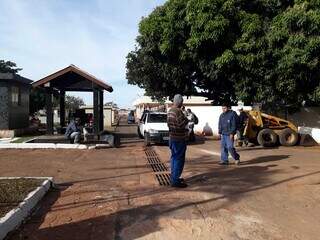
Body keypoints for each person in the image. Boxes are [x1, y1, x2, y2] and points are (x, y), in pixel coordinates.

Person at [167, 94, 189, 188]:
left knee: (174, 158)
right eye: (182, 101)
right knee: (178, 159)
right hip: (179, 139)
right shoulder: (178, 112)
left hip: (172, 138)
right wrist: (186, 119)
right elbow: (181, 124)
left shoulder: (170, 111)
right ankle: (175, 181)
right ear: (180, 102)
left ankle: (174, 177)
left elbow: (168, 124)